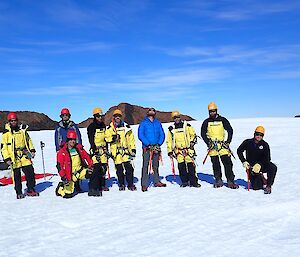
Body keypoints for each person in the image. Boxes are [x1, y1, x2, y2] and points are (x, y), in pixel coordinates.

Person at [1, 112, 39, 199]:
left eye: (15, 120)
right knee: (16, 176)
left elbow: (29, 141)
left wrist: (32, 150)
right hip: (14, 157)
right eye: (12, 121)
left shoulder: (23, 131)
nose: (13, 122)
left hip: (24, 155)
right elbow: (4, 148)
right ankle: (19, 192)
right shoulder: (6, 134)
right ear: (9, 122)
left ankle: (31, 189)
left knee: (30, 172)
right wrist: (7, 158)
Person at [201, 102, 239, 189]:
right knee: (215, 163)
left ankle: (230, 181)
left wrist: (228, 141)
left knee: (227, 163)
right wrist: (208, 142)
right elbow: (203, 133)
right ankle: (218, 180)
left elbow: (230, 130)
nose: (212, 113)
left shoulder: (222, 120)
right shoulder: (206, 122)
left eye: (213, 111)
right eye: (210, 111)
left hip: (222, 145)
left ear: (216, 111)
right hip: (212, 146)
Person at [55, 130, 98, 197]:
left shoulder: (79, 148)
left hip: (80, 171)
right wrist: (63, 177)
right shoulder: (62, 152)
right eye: (71, 139)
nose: (73, 141)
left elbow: (87, 157)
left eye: (74, 139)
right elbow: (59, 166)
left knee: (93, 172)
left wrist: (91, 165)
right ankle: (60, 188)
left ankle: (92, 190)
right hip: (69, 175)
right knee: (68, 195)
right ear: (67, 140)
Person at [237, 126, 277, 194]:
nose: (259, 136)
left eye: (261, 135)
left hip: (262, 165)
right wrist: (244, 161)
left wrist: (259, 164)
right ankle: (261, 177)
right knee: (256, 187)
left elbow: (267, 158)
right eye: (257, 134)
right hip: (252, 167)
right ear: (254, 134)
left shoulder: (265, 145)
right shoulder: (247, 142)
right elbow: (239, 151)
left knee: (273, 167)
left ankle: (268, 185)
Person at [167, 111, 201, 188]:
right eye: (175, 118)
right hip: (178, 151)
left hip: (188, 150)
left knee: (191, 167)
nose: (176, 119)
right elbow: (169, 141)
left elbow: (193, 135)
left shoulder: (187, 126)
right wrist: (169, 151)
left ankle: (193, 182)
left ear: (180, 117)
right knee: (181, 167)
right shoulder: (171, 129)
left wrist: (192, 142)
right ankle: (184, 181)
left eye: (178, 117)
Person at [105, 109, 137, 191]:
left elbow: (131, 139)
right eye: (116, 116)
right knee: (119, 170)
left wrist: (133, 149)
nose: (117, 118)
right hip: (117, 153)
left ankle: (130, 184)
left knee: (129, 168)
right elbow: (107, 138)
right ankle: (121, 184)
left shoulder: (126, 127)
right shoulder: (110, 128)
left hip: (126, 152)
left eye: (119, 116)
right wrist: (113, 138)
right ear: (114, 117)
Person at [138, 107, 166, 192]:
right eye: (150, 110)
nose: (152, 112)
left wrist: (159, 143)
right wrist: (148, 144)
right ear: (147, 113)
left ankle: (156, 181)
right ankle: (144, 184)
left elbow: (162, 134)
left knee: (155, 165)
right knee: (146, 166)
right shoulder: (143, 123)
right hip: (147, 148)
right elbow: (140, 135)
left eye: (153, 111)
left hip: (156, 147)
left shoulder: (158, 123)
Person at [54, 107, 82, 192]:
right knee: (65, 167)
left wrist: (79, 146)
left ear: (69, 116)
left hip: (73, 148)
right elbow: (57, 138)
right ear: (61, 116)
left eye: (66, 115)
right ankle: (65, 183)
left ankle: (77, 185)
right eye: (63, 115)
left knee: (75, 166)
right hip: (64, 150)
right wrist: (58, 149)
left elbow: (78, 136)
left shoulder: (73, 126)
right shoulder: (59, 127)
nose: (65, 117)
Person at [87, 107, 109, 192]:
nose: (100, 118)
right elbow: (91, 139)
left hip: (103, 150)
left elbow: (105, 138)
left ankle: (102, 185)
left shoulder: (103, 125)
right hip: (96, 150)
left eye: (101, 116)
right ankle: (95, 186)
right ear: (95, 117)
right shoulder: (91, 127)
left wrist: (106, 149)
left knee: (103, 168)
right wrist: (94, 149)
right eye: (98, 116)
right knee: (96, 168)